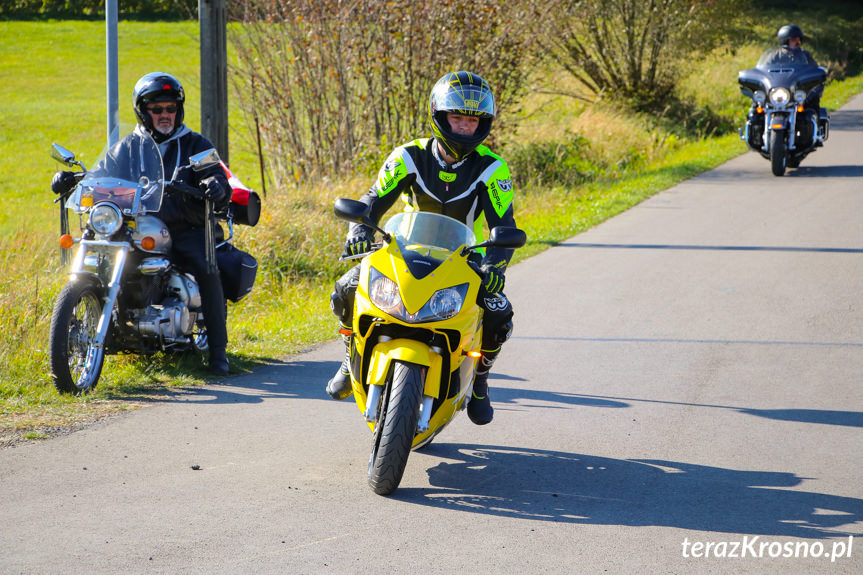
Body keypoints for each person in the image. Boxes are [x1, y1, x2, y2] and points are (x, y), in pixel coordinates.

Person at [326, 70, 517, 426]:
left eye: (472, 120)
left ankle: (479, 380)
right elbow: (371, 202)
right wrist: (358, 231)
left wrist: (495, 267)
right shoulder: (407, 156)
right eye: (457, 117)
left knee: (499, 313)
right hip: (403, 249)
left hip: (462, 258)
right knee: (345, 288)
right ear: (439, 116)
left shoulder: (494, 169)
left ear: (484, 124)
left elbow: (504, 227)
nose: (463, 127)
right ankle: (350, 353)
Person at [51, 72, 232, 375]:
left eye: (170, 108)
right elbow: (102, 176)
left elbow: (215, 173)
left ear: (179, 109)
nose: (165, 115)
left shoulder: (195, 144)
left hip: (185, 226)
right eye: (157, 109)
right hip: (136, 226)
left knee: (206, 266)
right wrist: (72, 180)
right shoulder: (127, 146)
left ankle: (218, 352)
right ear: (143, 112)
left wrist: (215, 185)